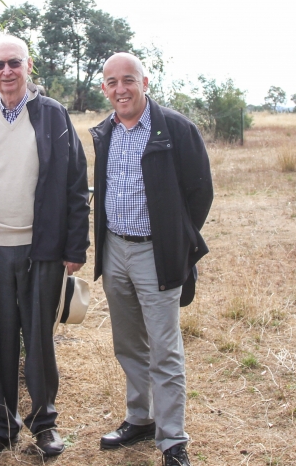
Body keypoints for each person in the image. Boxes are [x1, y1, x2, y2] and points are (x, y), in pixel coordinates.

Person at [0, 34, 90, 457]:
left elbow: (75, 185)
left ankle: (44, 423)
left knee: (39, 341)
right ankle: (2, 425)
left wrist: (74, 247)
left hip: (41, 249)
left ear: (29, 66)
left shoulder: (52, 116)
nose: (7, 72)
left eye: (14, 63)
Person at [90, 52, 213, 466]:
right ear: (104, 88)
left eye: (129, 80)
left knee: (165, 348)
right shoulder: (105, 130)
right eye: (112, 82)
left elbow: (200, 192)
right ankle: (139, 418)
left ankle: (173, 439)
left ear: (146, 83)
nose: (121, 89)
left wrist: (176, 238)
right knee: (128, 343)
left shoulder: (175, 129)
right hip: (114, 250)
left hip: (155, 253)